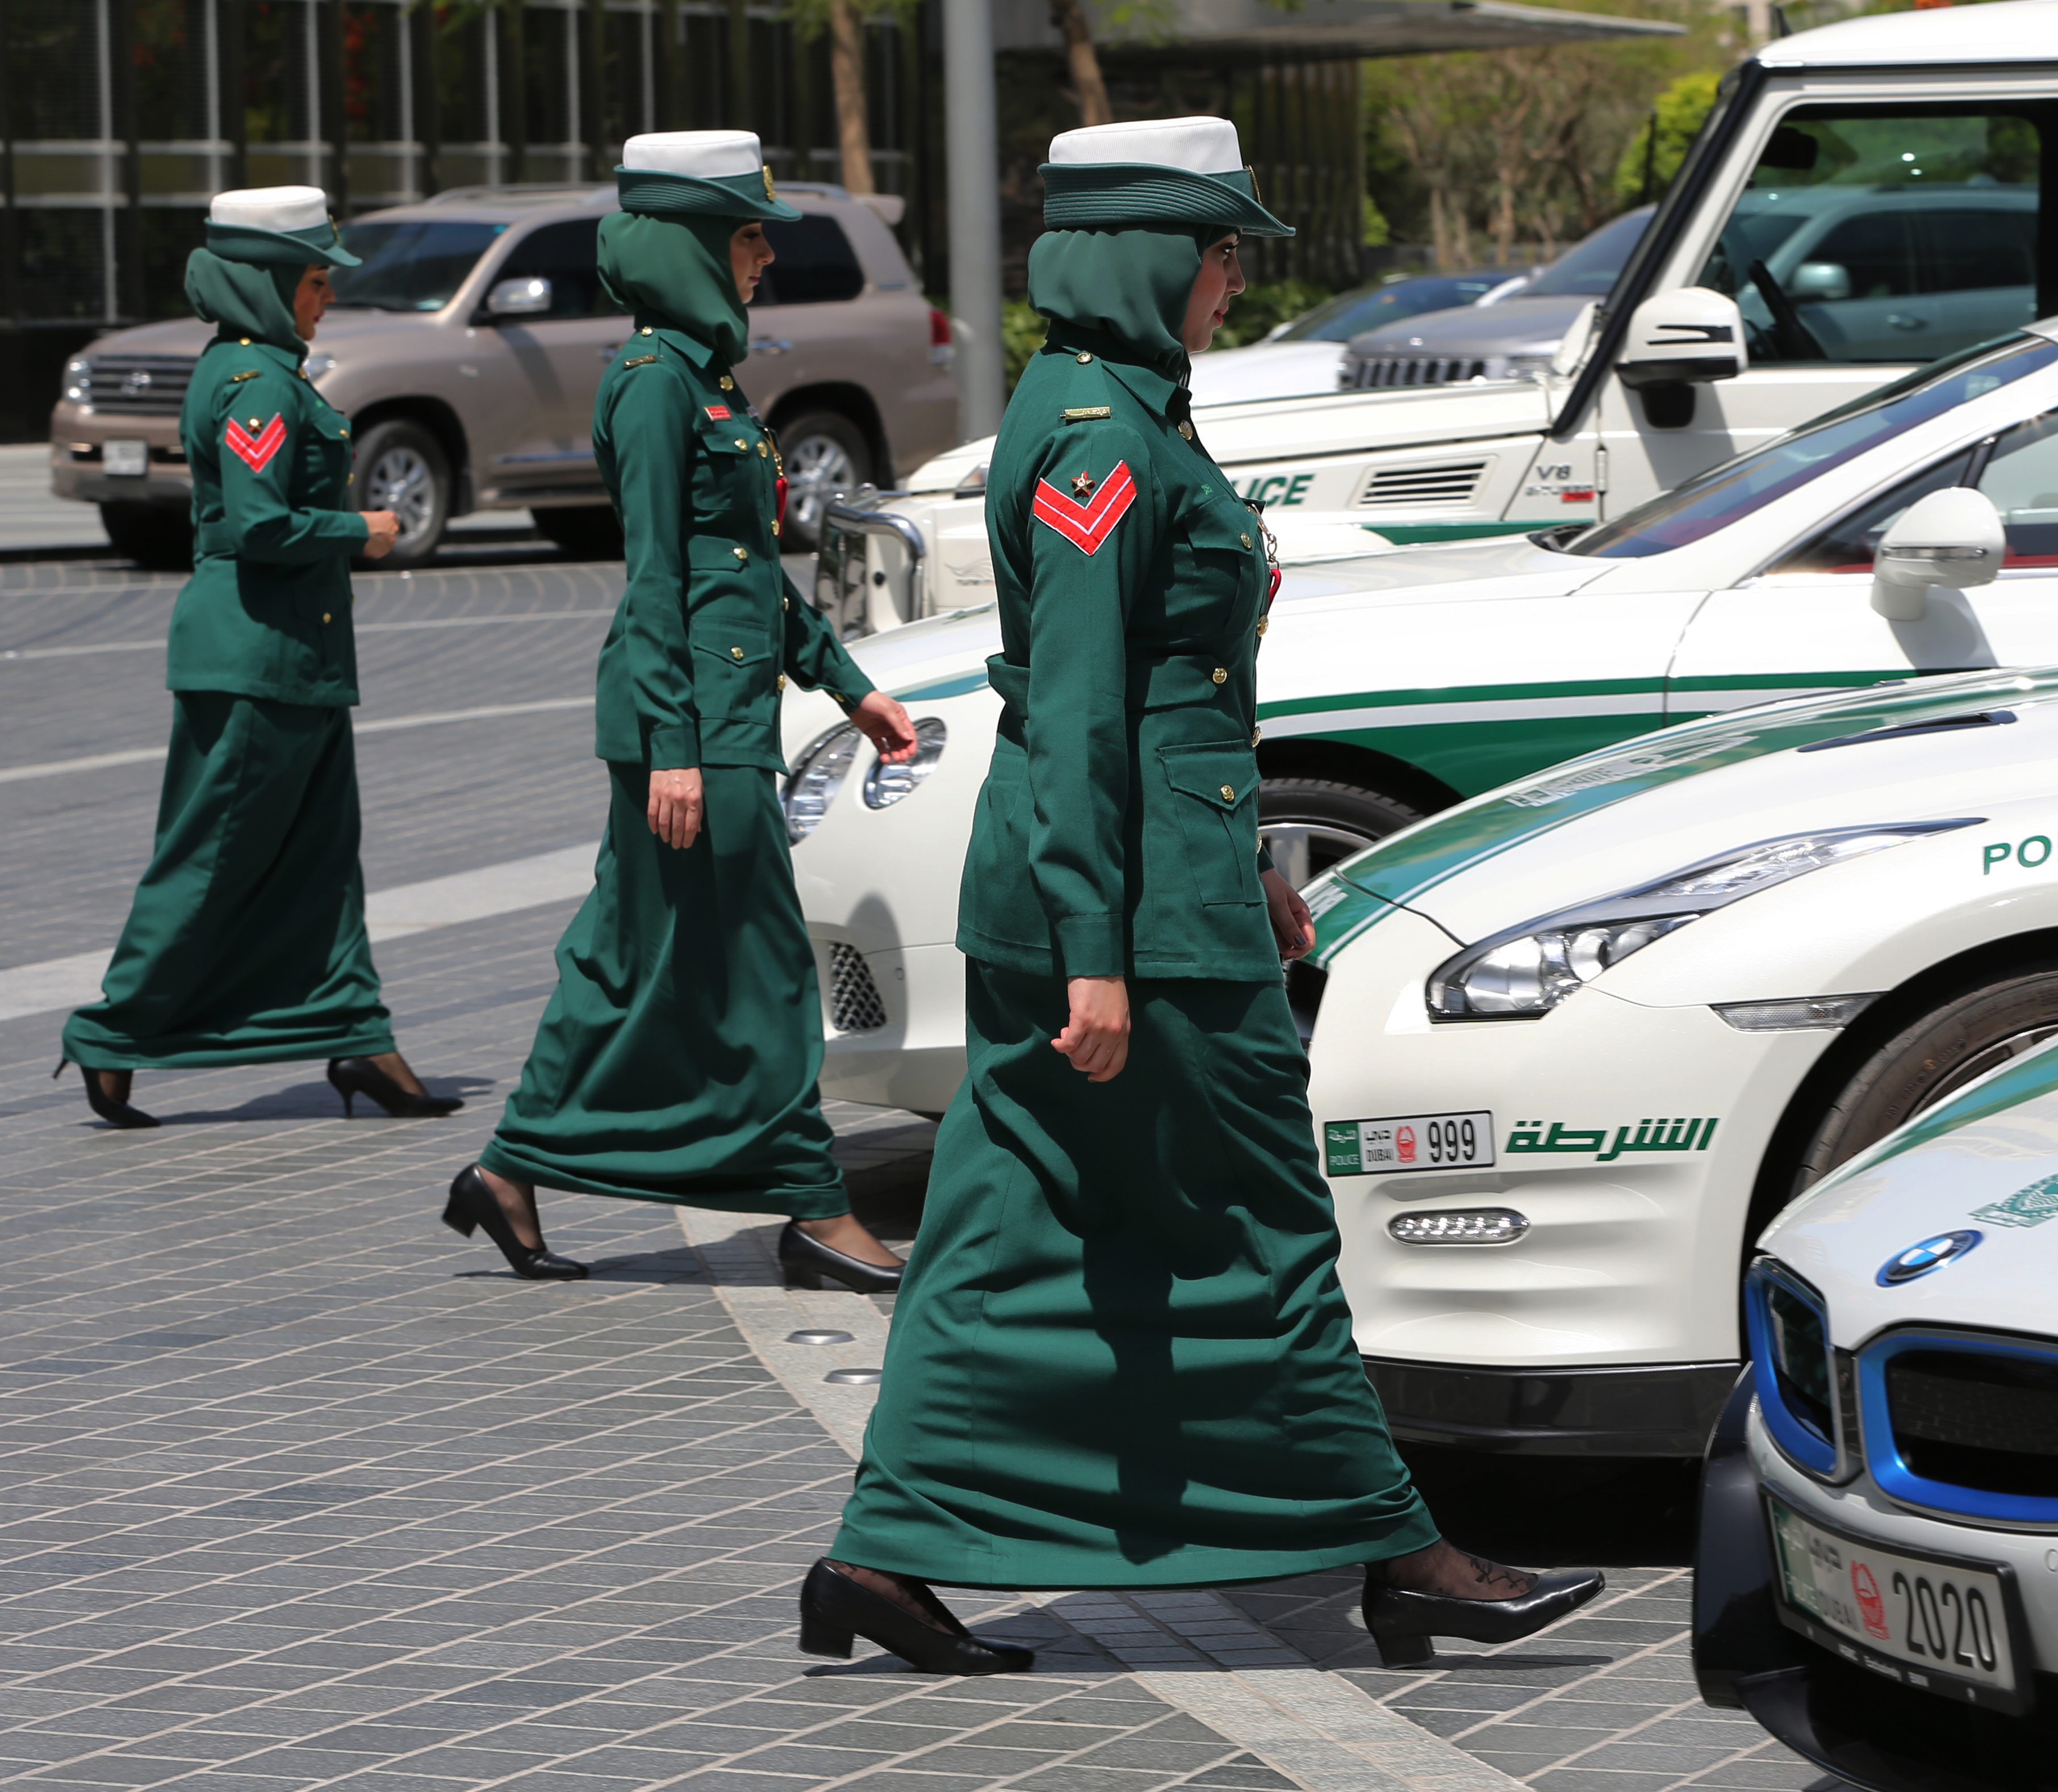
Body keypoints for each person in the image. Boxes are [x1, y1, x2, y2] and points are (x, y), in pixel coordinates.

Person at [801, 119, 1602, 1676]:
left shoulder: (1114, 404)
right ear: (1153, 251)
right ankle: (1400, 1554)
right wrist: (1101, 947)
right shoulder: (1102, 431)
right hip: (1129, 915)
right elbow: (1094, 703)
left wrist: (1245, 870)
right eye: (1224, 252)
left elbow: (1168, 699)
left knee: (1009, 1225)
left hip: (1162, 881)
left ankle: (881, 1559)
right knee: (1264, 1221)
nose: (1236, 282)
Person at [445, 132, 919, 1287]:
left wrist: (851, 688)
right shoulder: (656, 383)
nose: (764, 257)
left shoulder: (706, 378)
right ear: (695, 245)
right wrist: (675, 751)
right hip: (692, 730)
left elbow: (744, 570)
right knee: (762, 969)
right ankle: (812, 1207)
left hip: (717, 717)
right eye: (749, 235)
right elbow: (657, 577)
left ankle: (510, 1170)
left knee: (625, 962)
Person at [58, 186, 451, 1131]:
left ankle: (359, 1035)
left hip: (294, 660)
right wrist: (360, 526)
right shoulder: (257, 383)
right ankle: (112, 1037)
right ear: (269, 287)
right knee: (212, 859)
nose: (326, 301)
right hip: (254, 660)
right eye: (316, 283)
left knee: (321, 863)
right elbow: (258, 521)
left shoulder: (254, 367)